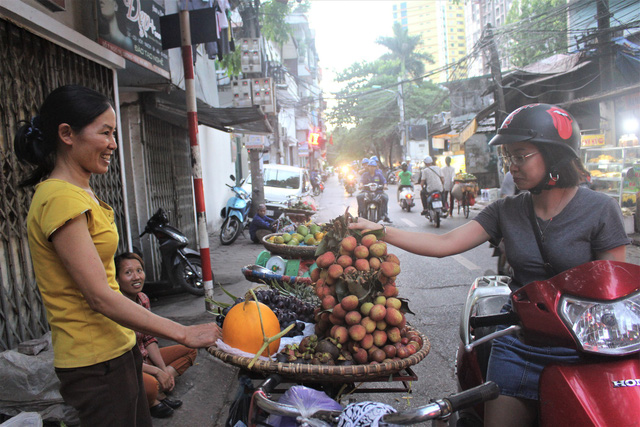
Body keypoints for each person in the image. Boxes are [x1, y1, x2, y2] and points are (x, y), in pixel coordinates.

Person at [349, 103, 630, 427]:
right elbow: (444, 244)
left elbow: (615, 291)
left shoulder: (600, 209)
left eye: (520, 156)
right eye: (508, 157)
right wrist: (378, 230)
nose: (512, 166)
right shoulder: (504, 210)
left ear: (554, 155)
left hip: (586, 350)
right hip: (521, 344)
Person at [14, 85, 221, 426]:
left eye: (114, 133)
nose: (113, 144)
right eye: (105, 133)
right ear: (67, 134)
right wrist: (182, 332)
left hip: (116, 352)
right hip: (95, 364)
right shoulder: (60, 198)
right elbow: (99, 296)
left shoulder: (80, 191)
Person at [115, 252, 197, 419]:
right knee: (150, 385)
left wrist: (163, 369)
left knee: (190, 349)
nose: (136, 277)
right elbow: (125, 358)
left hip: (145, 360)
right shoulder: (116, 307)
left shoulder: (143, 298)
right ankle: (154, 397)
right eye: (128, 272)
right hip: (128, 367)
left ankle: (160, 385)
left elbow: (148, 338)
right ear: (116, 279)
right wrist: (156, 373)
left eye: (139, 270)